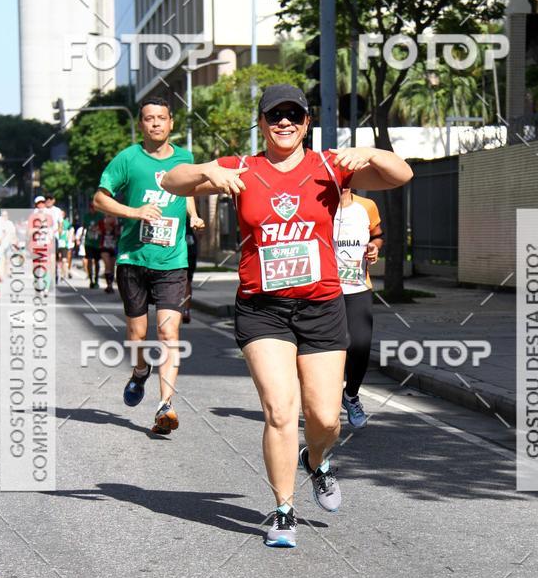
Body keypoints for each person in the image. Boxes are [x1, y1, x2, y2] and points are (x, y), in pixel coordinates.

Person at [162, 83, 413, 548]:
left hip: (322, 306)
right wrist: (207, 170)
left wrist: (369, 152)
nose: (284, 122)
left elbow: (401, 175)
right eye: (274, 115)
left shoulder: (329, 166)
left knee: (326, 418)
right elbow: (171, 182)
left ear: (306, 122)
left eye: (293, 115)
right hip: (262, 309)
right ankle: (283, 509)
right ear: (261, 122)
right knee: (280, 410)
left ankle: (315, 461)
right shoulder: (243, 167)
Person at [92, 96, 204, 434]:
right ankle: (141, 370)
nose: (155, 123)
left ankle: (165, 405)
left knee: (169, 332)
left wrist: (194, 215)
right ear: (141, 124)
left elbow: (187, 190)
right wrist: (134, 211)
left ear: (171, 123)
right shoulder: (128, 159)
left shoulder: (185, 158)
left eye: (161, 118)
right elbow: (99, 199)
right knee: (138, 334)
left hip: (172, 260)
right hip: (133, 259)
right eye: (149, 118)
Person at [334, 188, 384, 428]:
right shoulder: (318, 207)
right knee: (331, 349)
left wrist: (374, 246)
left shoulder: (367, 206)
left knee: (361, 346)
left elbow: (378, 235)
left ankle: (351, 395)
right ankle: (325, 403)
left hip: (358, 287)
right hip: (326, 291)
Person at [182, 210, 200, 324]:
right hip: (190, 247)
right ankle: (185, 310)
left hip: (181, 249)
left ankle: (183, 310)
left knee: (183, 281)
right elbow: (199, 230)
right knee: (187, 282)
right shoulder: (192, 210)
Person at [83, 200, 104, 288]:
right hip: (88, 242)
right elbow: (84, 227)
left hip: (97, 242)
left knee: (97, 261)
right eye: (91, 208)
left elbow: (102, 227)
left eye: (94, 207)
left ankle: (96, 279)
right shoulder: (86, 216)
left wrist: (98, 229)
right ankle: (91, 279)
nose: (92, 209)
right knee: (89, 260)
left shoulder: (100, 216)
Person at [100, 214, 121, 293]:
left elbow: (118, 234)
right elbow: (99, 231)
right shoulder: (102, 222)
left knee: (112, 267)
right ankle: (108, 285)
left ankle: (111, 284)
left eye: (111, 216)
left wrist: (115, 226)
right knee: (107, 265)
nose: (109, 218)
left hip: (114, 247)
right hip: (104, 246)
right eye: (108, 216)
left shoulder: (117, 224)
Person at [56, 209, 73, 282]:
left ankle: (63, 275)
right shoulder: (55, 222)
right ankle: (56, 273)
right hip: (56, 242)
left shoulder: (66, 223)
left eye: (62, 214)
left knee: (64, 260)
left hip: (63, 243)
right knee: (56, 259)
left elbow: (70, 231)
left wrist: (69, 240)